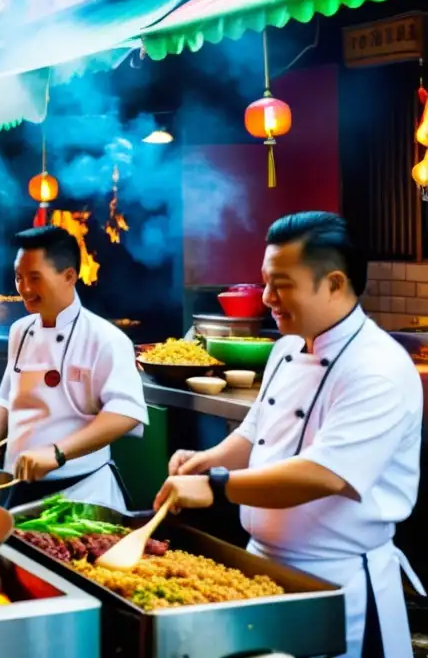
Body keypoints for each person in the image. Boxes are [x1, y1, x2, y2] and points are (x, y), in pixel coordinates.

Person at [156, 212, 423, 657]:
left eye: (281, 285)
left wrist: (215, 486)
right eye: (265, 282)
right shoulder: (286, 347)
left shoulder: (379, 367)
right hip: (260, 569)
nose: (266, 298)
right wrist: (211, 458)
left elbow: (324, 474)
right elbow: (257, 431)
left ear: (335, 283)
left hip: (339, 586)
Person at [0, 226, 147, 509]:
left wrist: (57, 453)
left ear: (69, 276)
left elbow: (125, 413)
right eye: (19, 278)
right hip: (18, 486)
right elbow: (9, 394)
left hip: (80, 491)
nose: (25, 289)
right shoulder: (20, 330)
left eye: (35, 278)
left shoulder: (106, 338)